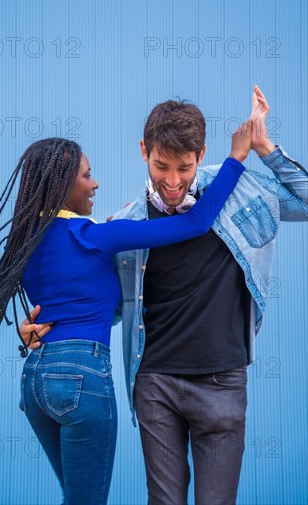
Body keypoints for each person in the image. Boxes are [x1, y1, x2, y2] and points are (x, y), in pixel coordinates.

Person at [22, 86, 308, 505]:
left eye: (184, 168)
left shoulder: (237, 193)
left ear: (201, 154)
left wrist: (263, 147)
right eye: (161, 166)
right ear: (144, 151)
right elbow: (106, 303)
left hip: (222, 380)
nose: (172, 181)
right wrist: (44, 331)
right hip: (155, 384)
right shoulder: (124, 222)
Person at [0, 130, 250, 505]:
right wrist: (236, 158)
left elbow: (55, 306)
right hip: (82, 379)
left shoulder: (24, 245)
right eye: (87, 175)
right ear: (62, 184)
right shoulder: (95, 236)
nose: (96, 183)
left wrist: (29, 333)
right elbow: (195, 223)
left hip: (35, 379)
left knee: (76, 498)